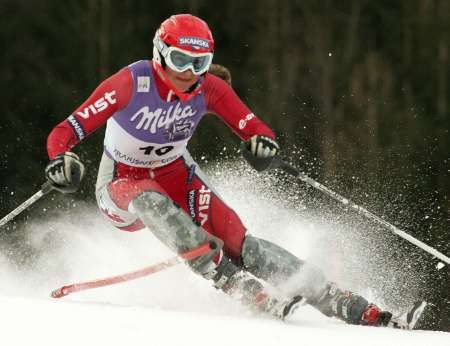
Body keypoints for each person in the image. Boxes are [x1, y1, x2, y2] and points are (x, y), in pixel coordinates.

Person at [44, 14, 426, 329]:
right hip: (121, 185)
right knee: (151, 200)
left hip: (176, 175)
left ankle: (351, 305)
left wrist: (263, 145)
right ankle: (234, 283)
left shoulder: (209, 89)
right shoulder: (131, 83)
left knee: (240, 240)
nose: (189, 73)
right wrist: (61, 160)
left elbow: (254, 127)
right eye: (180, 61)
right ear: (161, 55)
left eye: (200, 64)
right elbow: (66, 130)